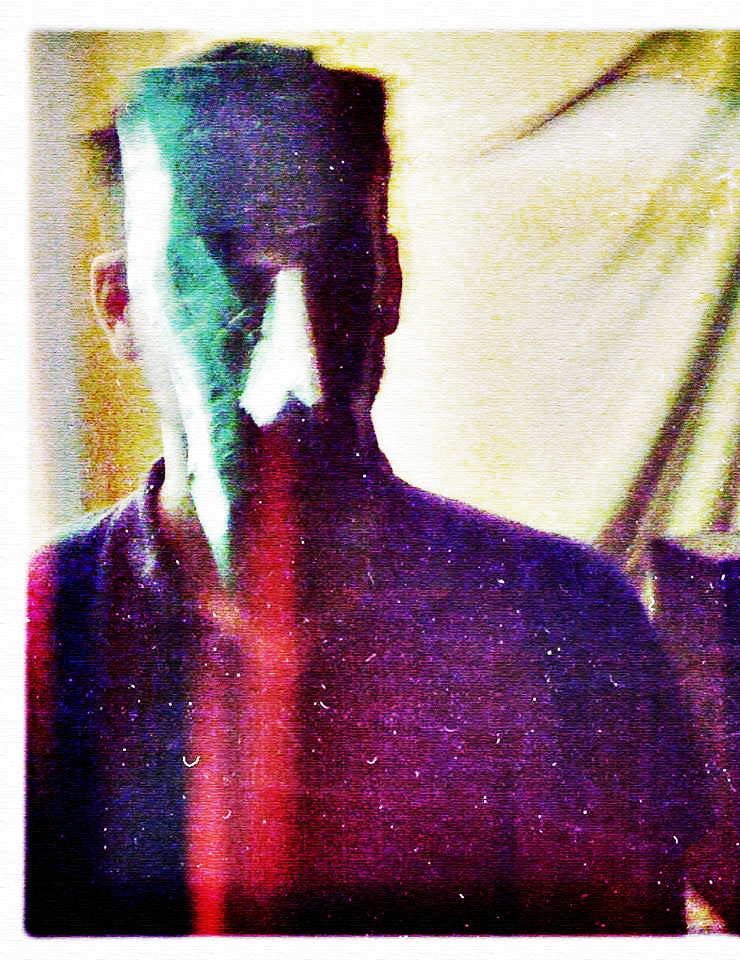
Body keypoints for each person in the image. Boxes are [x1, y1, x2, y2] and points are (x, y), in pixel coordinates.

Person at [26, 42, 704, 936]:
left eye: (332, 260)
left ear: (388, 281)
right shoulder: (37, 642)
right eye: (225, 267)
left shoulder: (571, 624)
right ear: (120, 305)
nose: (295, 342)